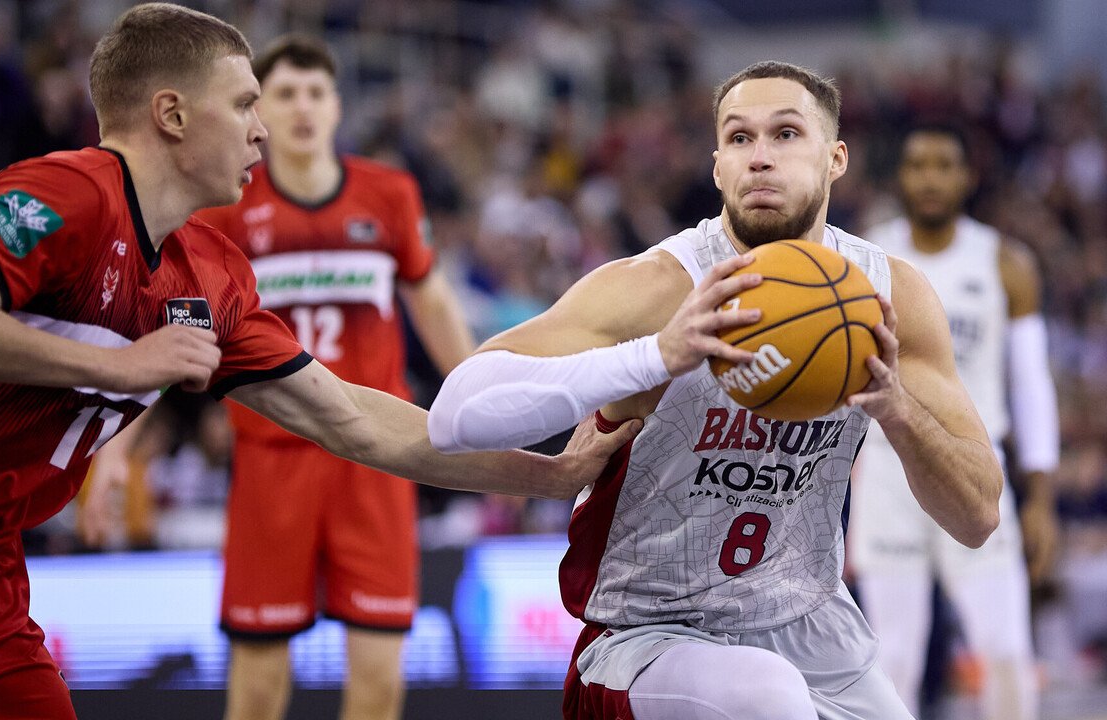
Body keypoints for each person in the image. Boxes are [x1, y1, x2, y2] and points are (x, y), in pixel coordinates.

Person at [0, 5, 637, 719]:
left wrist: (549, 475)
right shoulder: (69, 193)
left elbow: (357, 420)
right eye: (247, 102)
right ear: (172, 113)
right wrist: (123, 369)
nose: (263, 128)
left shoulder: (212, 275)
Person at [427, 60, 1004, 720]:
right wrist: (655, 355)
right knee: (767, 697)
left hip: (810, 626)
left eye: (786, 134)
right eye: (739, 138)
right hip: (649, 636)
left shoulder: (886, 297)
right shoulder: (659, 287)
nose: (760, 157)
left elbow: (977, 514)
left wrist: (897, 409)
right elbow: (456, 410)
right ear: (717, 167)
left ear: (836, 157)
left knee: (775, 687)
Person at [194, 34, 477, 720]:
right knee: (258, 685)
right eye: (284, 94)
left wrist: (477, 395)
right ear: (258, 111)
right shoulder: (228, 206)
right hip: (271, 456)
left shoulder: (389, 194)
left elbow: (433, 301)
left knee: (378, 678)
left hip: (374, 458)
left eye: (315, 93)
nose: (301, 108)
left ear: (337, 106)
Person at [847, 124, 1059, 720]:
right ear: (902, 177)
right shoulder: (867, 260)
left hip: (973, 469)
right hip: (888, 476)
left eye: (944, 165)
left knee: (1005, 649)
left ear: (967, 177)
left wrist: (1039, 496)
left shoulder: (1005, 263)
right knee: (894, 663)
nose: (931, 177)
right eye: (918, 165)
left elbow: (1032, 386)